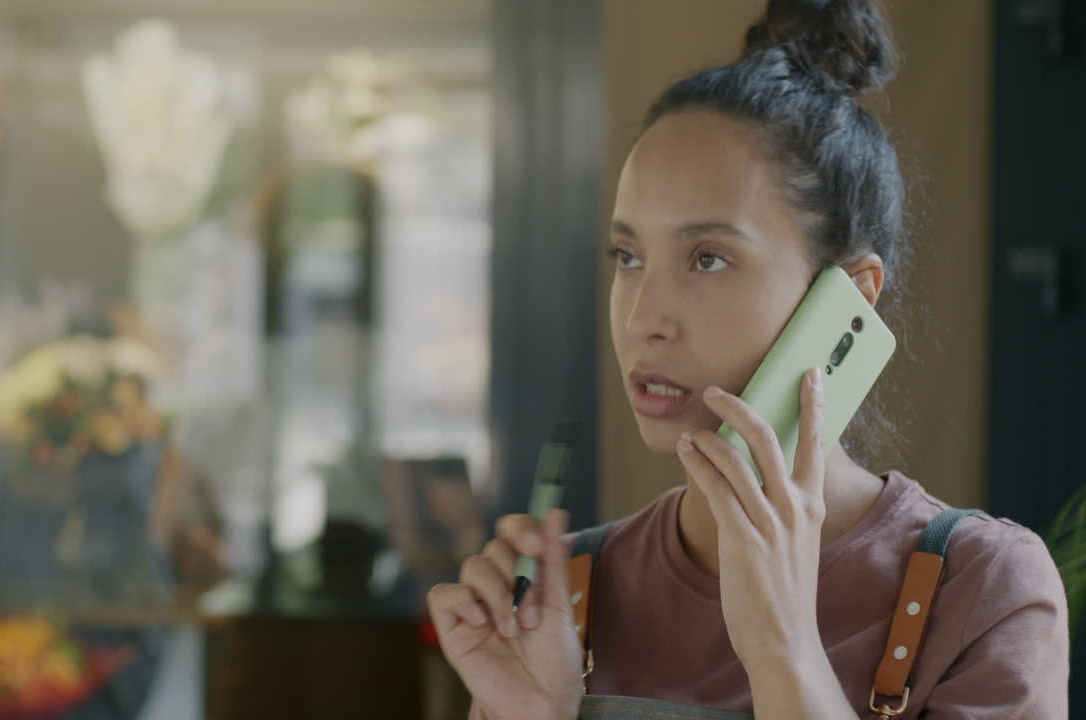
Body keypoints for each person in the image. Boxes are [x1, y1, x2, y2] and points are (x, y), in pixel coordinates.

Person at [426, 1, 1071, 718]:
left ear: (849, 299)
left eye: (707, 258)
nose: (642, 321)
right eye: (628, 256)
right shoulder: (561, 599)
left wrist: (782, 647)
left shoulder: (982, 591)